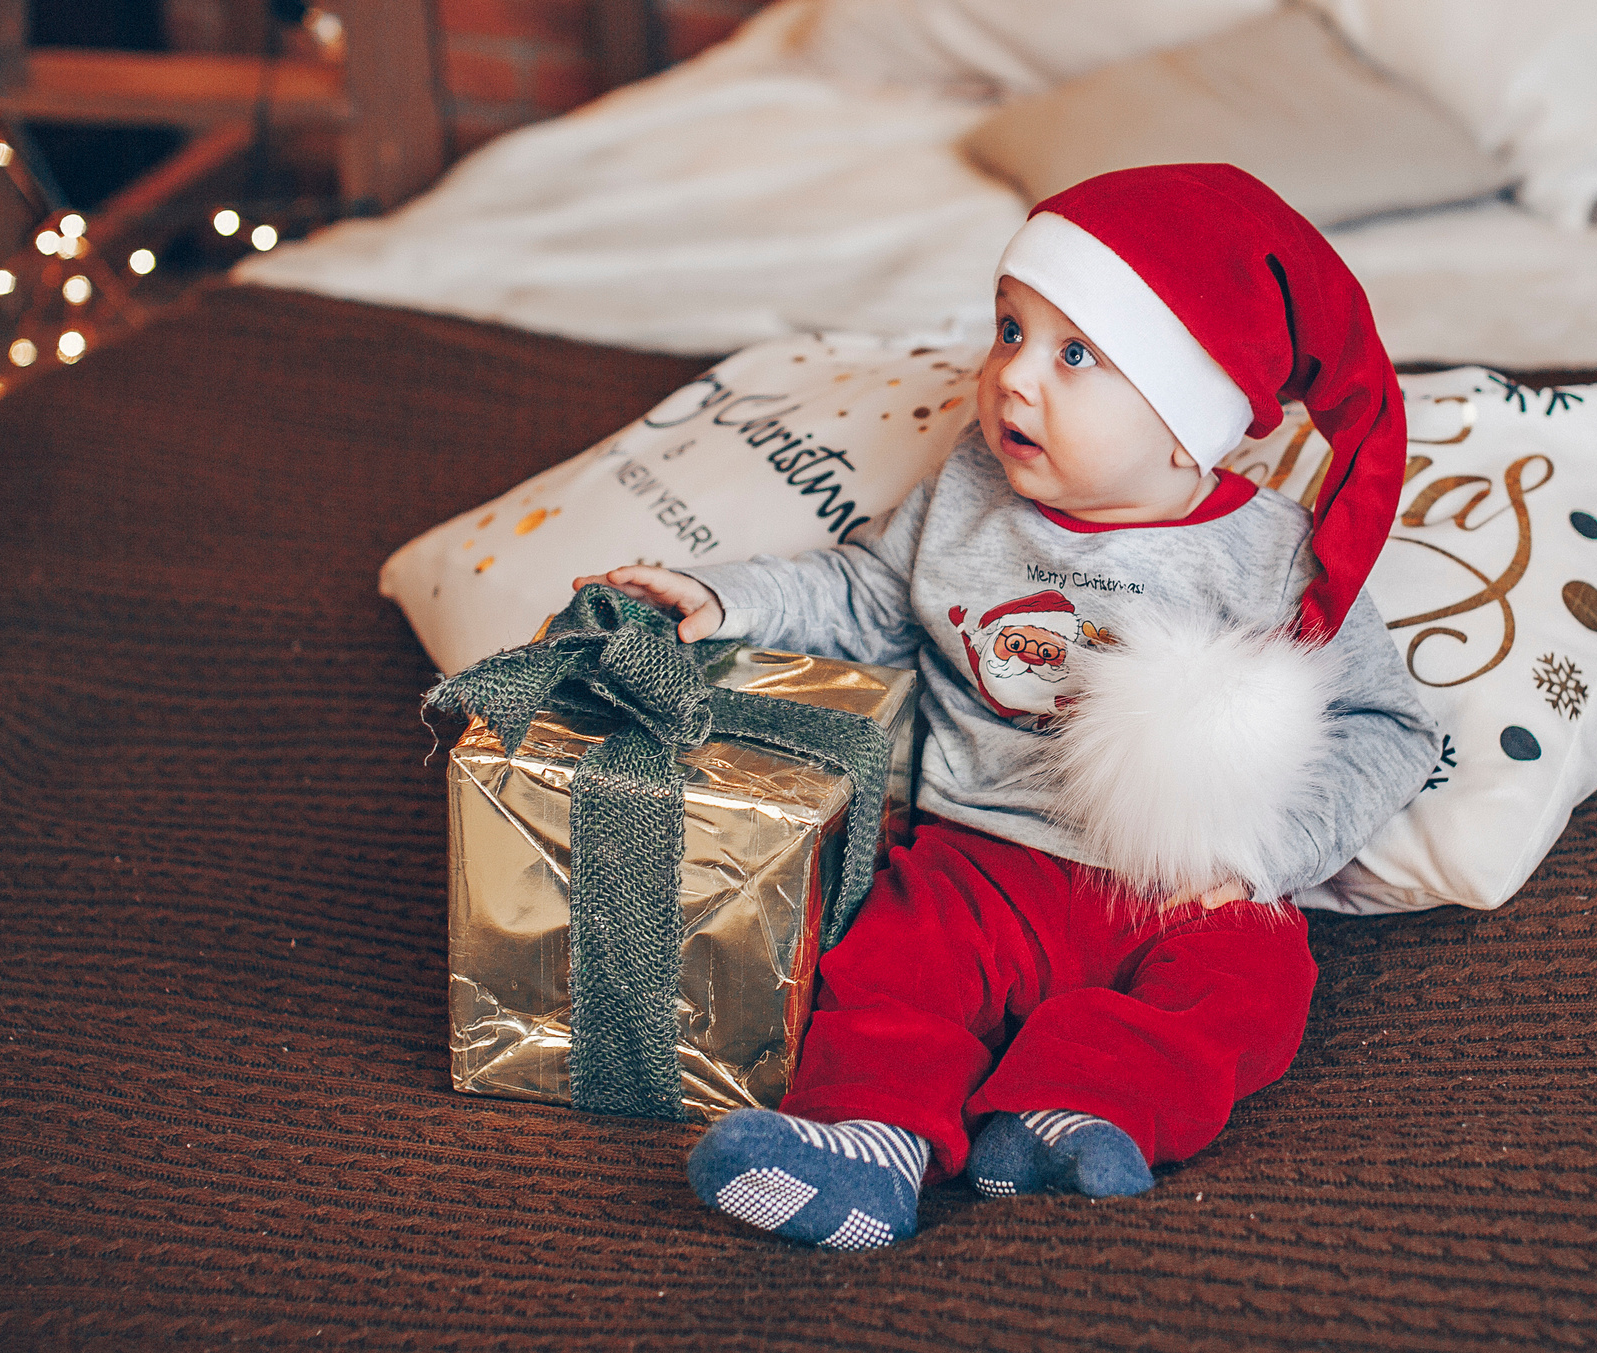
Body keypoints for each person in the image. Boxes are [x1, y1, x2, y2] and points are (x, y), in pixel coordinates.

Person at [574, 163, 1438, 1251]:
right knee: (885, 965)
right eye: (1009, 329)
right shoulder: (972, 490)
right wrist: (726, 595)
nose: (1014, 379)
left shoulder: (1269, 558)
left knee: (1250, 981)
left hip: (1172, 880)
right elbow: (868, 591)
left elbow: (1391, 727)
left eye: (1075, 354)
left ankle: (1077, 1105)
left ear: (1186, 421)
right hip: (981, 857)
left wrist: (1271, 855)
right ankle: (866, 1139)